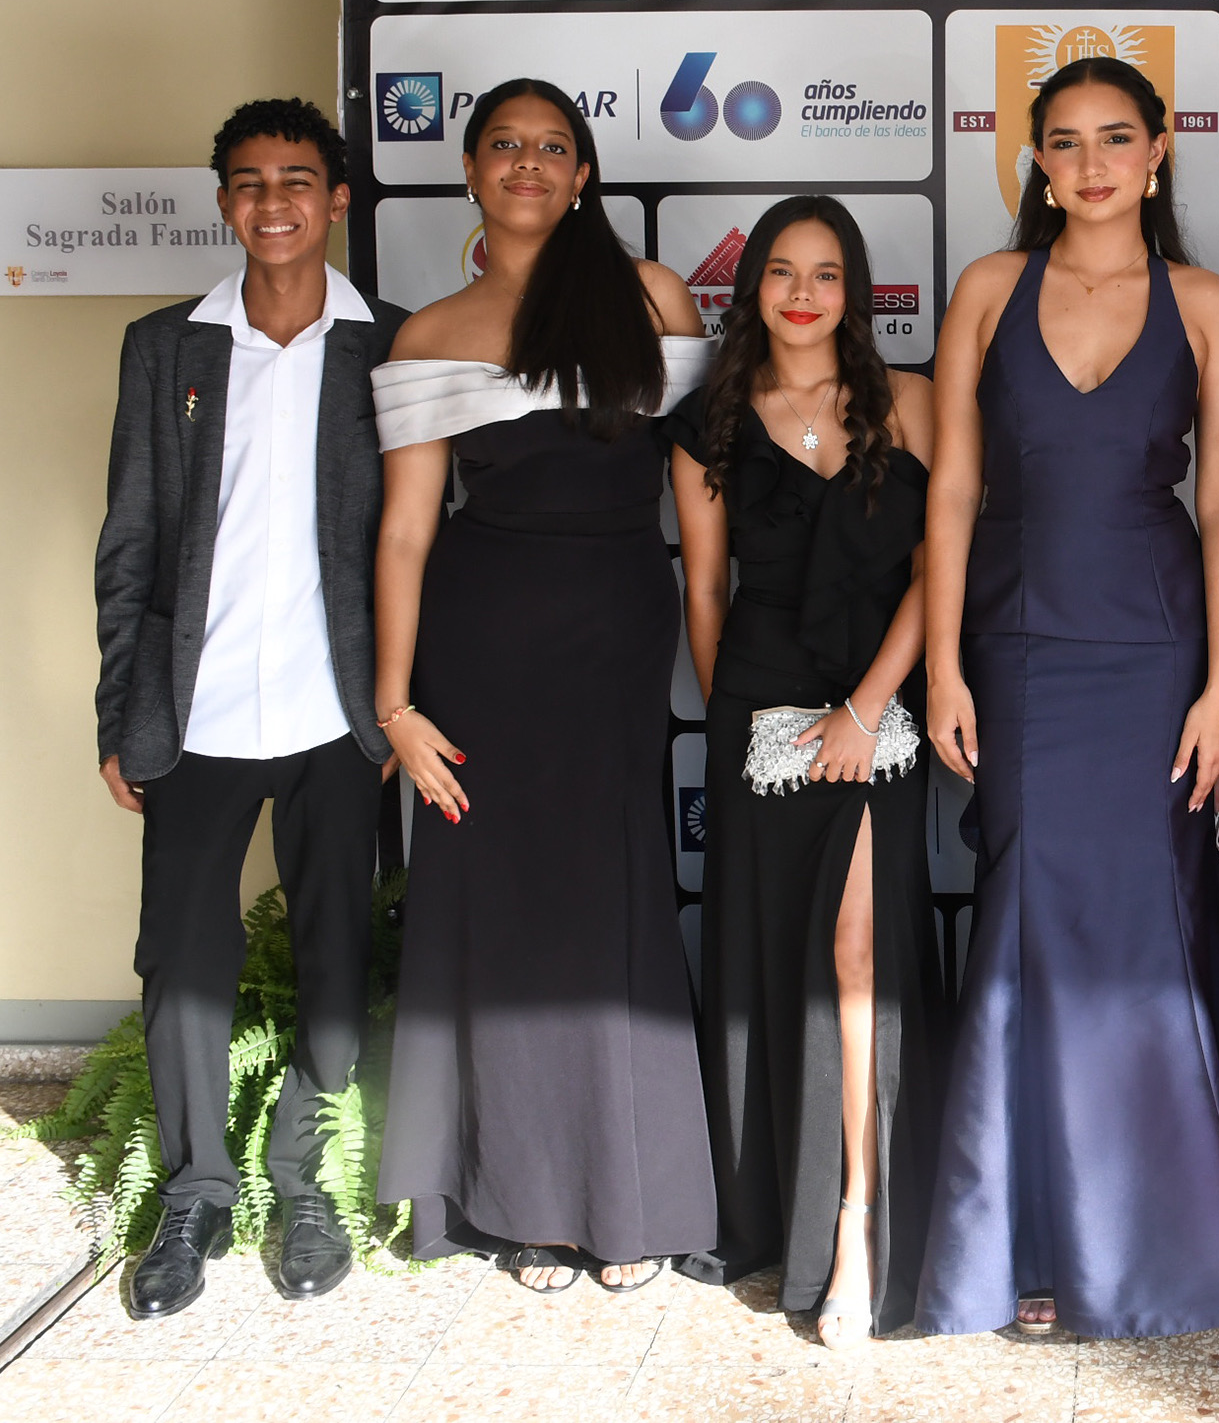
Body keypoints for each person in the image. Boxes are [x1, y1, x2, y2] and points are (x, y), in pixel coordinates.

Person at [916, 55, 1219, 1338]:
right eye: (1063, 141)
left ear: (1158, 152)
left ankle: (1153, 1243)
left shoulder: (1204, 304)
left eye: (1115, 137)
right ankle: (1020, 1239)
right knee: (1025, 912)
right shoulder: (986, 289)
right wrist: (941, 660)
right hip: (1015, 643)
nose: (1090, 162)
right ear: (1037, 161)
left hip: (1154, 647)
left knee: (1141, 923)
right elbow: (952, 488)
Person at [370, 78, 715, 1293]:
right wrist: (397, 704)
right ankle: (519, 1202)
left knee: (609, 899)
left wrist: (720, 658)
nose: (528, 163)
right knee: (500, 913)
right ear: (469, 170)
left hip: (615, 629)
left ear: (583, 174)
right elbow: (405, 533)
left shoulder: (652, 297)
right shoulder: (428, 333)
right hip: (480, 646)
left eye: (552, 146)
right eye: (505, 145)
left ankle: (632, 1197)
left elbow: (700, 497)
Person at [94, 99, 406, 1318]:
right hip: (197, 710)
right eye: (249, 181)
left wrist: (402, 706)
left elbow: (419, 545)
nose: (273, 201)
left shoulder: (391, 347)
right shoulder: (164, 347)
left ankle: (303, 1182)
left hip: (338, 713)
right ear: (225, 199)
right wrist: (121, 711)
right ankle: (194, 1194)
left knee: (333, 947)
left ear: (337, 198)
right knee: (181, 957)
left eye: (297, 179)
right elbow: (130, 538)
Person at [667, 196, 941, 1345]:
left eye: (826, 273)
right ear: (753, 288)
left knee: (857, 954)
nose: (801, 292)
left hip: (876, 703)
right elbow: (705, 589)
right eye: (781, 270)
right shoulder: (711, 424)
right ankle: (785, 1203)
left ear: (853, 290)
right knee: (780, 957)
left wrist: (863, 709)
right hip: (761, 714)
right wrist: (751, 726)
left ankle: (858, 1218)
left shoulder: (909, 401)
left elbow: (938, 568)